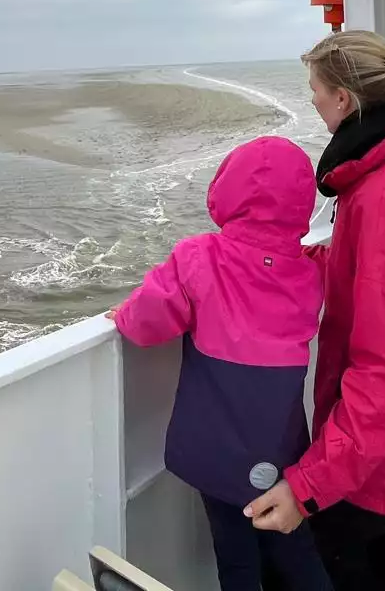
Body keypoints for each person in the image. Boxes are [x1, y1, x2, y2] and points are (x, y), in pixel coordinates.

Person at [245, 30, 385, 591]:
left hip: (381, 470)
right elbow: (374, 275)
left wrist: (306, 487)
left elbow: (383, 374)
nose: (312, 99)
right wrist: (295, 259)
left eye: (315, 89)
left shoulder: (383, 200)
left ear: (343, 99)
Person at [109, 136, 332, 591]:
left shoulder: (199, 257)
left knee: (236, 559)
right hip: (281, 449)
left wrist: (124, 315)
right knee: (296, 550)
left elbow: (150, 318)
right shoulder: (310, 271)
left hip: (217, 454)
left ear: (228, 190)